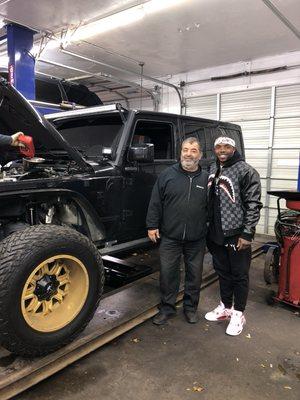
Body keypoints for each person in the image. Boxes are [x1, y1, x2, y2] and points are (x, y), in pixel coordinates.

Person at [146, 137, 208, 325]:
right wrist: (152, 225)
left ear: (200, 155)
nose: (189, 153)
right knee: (167, 274)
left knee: (194, 275)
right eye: (185, 149)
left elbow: (213, 208)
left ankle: (190, 309)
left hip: (196, 238)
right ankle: (167, 308)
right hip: (170, 236)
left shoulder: (206, 179)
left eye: (194, 150)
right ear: (180, 152)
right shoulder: (167, 175)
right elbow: (155, 201)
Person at [205, 136, 262, 336]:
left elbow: (253, 205)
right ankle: (226, 307)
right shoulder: (213, 168)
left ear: (233, 148)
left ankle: (238, 313)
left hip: (236, 234)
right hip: (216, 233)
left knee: (239, 275)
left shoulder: (246, 171)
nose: (222, 149)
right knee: (222, 271)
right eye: (218, 146)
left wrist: (247, 233)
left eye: (226, 146)